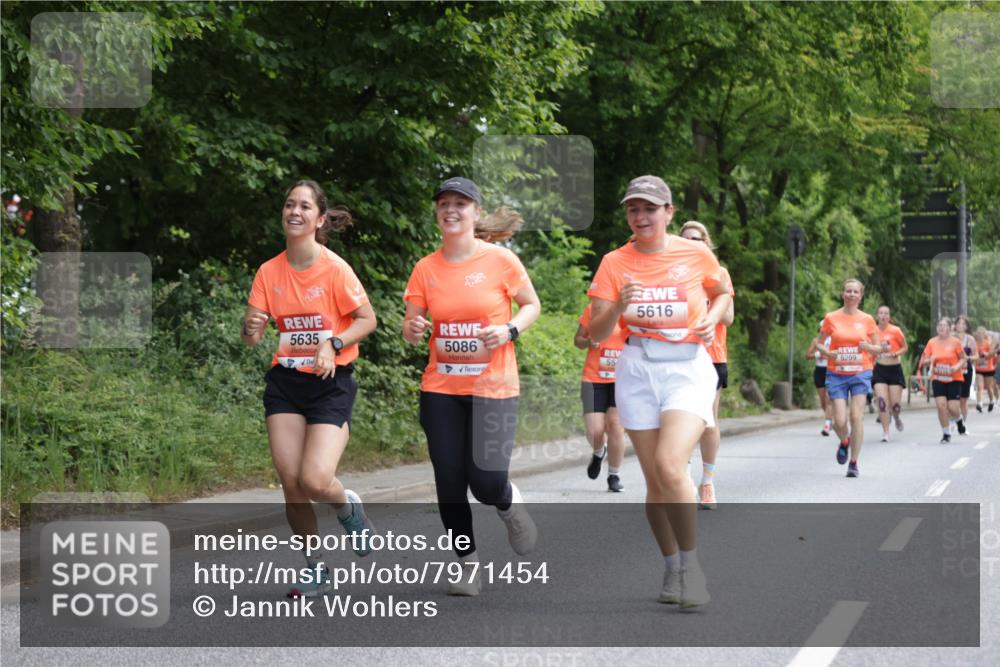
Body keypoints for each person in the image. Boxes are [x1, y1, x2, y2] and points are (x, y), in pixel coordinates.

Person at [587, 175, 732, 609]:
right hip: (636, 370)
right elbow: (595, 331)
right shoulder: (614, 262)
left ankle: (692, 569)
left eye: (650, 208)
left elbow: (723, 293)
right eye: (633, 209)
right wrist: (616, 305)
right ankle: (671, 567)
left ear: (668, 213)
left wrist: (714, 317)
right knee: (654, 483)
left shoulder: (696, 253)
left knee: (672, 465)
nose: (640, 216)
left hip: (688, 367)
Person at [402, 177, 541, 596]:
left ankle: (507, 503)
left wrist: (510, 329)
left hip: (493, 388)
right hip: (441, 387)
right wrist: (413, 327)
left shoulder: (501, 261)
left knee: (484, 481)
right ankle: (467, 564)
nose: (451, 210)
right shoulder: (426, 268)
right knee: (449, 480)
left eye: (460, 203)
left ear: (476, 212)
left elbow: (532, 305)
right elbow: (411, 329)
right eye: (444, 203)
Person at [242, 179, 378, 598]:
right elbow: (252, 334)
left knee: (316, 480)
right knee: (291, 481)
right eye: (289, 205)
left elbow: (367, 320)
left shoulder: (334, 268)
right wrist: (251, 329)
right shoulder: (269, 271)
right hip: (285, 383)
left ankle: (347, 507)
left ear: (319, 219)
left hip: (330, 384)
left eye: (304, 206)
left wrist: (333, 343)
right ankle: (315, 567)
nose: (294, 211)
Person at [679, 220, 734, 510]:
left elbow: (729, 318)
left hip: (712, 356)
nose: (693, 243)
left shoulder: (719, 272)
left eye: (698, 239)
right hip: (679, 354)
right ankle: (683, 478)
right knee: (677, 419)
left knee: (707, 420)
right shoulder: (672, 272)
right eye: (687, 238)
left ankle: (708, 481)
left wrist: (707, 301)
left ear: (706, 242)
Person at [816, 279, 881, 478]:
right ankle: (844, 440)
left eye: (855, 292)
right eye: (848, 291)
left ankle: (853, 463)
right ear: (843, 294)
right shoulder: (831, 318)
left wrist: (868, 348)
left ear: (860, 296)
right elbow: (819, 344)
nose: (851, 294)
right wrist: (829, 354)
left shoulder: (868, 320)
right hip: (836, 373)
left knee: (856, 416)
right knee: (839, 421)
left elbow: (878, 347)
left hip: (861, 372)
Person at [575, 303, 627, 492]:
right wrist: (588, 342)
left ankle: (614, 475)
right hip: (593, 378)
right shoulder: (593, 309)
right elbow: (578, 340)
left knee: (615, 426)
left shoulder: (632, 311)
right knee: (595, 431)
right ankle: (599, 452)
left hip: (622, 378)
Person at [920, 318, 968, 443]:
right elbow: (923, 362)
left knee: (952, 408)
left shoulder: (955, 342)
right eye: (939, 325)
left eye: (944, 325)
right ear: (937, 328)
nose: (941, 328)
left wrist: (956, 367)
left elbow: (964, 358)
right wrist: (930, 359)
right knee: (941, 406)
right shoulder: (932, 342)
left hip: (954, 378)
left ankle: (959, 420)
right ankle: (946, 433)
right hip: (938, 378)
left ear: (949, 328)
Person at [871, 305, 909, 442]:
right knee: (881, 402)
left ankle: (896, 416)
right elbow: (868, 348)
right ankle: (886, 432)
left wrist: (896, 353)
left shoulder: (896, 331)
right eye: (880, 313)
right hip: (880, 369)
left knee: (895, 405)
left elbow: (905, 347)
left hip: (894, 369)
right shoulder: (872, 331)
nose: (883, 316)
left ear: (889, 316)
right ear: (877, 316)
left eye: (886, 313)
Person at [806, 323, 834, 436]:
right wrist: (817, 355)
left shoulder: (833, 340)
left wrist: (829, 356)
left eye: (826, 329)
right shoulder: (816, 341)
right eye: (822, 329)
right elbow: (807, 355)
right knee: (823, 402)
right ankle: (830, 419)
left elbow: (838, 355)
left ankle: (827, 425)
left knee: (828, 399)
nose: (824, 331)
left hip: (830, 371)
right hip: (819, 371)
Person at [953, 315, 978, 423]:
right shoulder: (951, 337)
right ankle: (955, 420)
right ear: (955, 325)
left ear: (967, 326)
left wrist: (968, 357)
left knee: (963, 400)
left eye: (963, 323)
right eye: (959, 323)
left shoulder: (970, 339)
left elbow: (976, 356)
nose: (960, 325)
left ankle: (963, 422)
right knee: (954, 399)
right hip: (953, 371)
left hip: (966, 371)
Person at [973, 326, 997, 413]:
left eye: (981, 334)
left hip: (989, 369)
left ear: (984, 335)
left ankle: (992, 401)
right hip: (979, 368)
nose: (979, 335)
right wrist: (977, 359)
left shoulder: (988, 343)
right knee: (980, 387)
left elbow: (993, 354)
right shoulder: (974, 344)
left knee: (989, 387)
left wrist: (986, 354)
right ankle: (979, 403)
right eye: (978, 334)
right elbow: (973, 355)